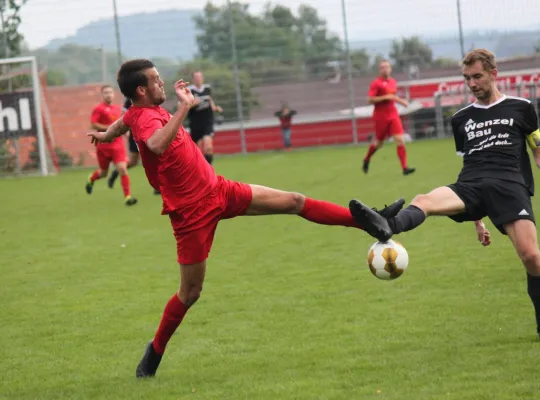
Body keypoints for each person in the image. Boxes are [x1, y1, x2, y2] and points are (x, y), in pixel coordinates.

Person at [87, 59, 403, 378]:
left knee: (294, 201)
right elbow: (154, 144)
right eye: (155, 80)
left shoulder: (134, 113)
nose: (162, 83)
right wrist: (184, 108)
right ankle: (154, 351)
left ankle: (371, 220)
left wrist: (104, 136)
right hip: (191, 215)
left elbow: (121, 124)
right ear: (141, 90)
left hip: (219, 190)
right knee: (190, 293)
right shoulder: (144, 118)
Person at [349, 48, 540, 338]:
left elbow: (538, 152)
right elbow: (467, 163)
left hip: (509, 184)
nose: (472, 84)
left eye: (477, 77)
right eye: (467, 78)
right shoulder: (461, 119)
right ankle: (387, 224)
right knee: (423, 200)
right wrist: (476, 218)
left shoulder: (522, 107)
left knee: (531, 257)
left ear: (493, 74)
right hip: (471, 185)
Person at [86, 85, 137, 206]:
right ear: (102, 95)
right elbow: (93, 125)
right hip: (103, 146)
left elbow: (120, 124)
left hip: (117, 145)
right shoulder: (98, 109)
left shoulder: (117, 108)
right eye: (106, 93)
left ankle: (128, 197)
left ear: (113, 94)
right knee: (103, 173)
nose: (108, 95)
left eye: (110, 92)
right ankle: (91, 179)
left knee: (122, 168)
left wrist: (125, 132)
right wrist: (110, 128)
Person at [362, 59, 416, 176]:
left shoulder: (393, 82)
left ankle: (405, 168)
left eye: (387, 67)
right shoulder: (376, 83)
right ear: (379, 70)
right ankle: (366, 159)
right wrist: (384, 97)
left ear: (390, 69)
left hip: (393, 115)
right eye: (382, 67)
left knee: (400, 140)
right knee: (378, 143)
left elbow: (392, 96)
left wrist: (401, 101)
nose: (385, 69)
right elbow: (370, 99)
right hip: (380, 117)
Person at [108, 98, 161, 195]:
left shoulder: (150, 94)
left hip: (149, 131)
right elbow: (123, 116)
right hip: (135, 134)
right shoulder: (130, 98)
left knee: (153, 159)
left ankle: (157, 187)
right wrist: (126, 130)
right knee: (134, 162)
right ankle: (117, 171)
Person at [187, 71, 222, 165]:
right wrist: (193, 104)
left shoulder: (207, 88)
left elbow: (210, 100)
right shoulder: (189, 91)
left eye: (199, 77)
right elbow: (183, 106)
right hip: (195, 123)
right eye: (196, 77)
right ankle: (200, 170)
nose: (198, 79)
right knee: (196, 151)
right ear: (193, 79)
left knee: (208, 147)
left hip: (207, 122)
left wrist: (215, 108)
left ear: (202, 78)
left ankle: (209, 169)